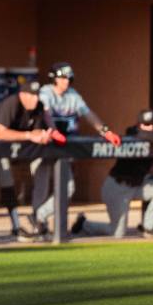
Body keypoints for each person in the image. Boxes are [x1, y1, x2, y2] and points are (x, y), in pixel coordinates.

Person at [31, 61, 121, 239]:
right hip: (44, 145)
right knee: (41, 186)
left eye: (68, 78)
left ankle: (38, 216)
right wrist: (53, 130)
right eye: (62, 78)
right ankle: (38, 225)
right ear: (54, 79)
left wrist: (105, 131)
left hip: (65, 148)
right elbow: (46, 114)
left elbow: (88, 114)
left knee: (68, 188)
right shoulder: (45, 92)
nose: (66, 81)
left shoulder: (73, 95)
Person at [71, 109, 153, 238]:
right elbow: (142, 134)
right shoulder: (132, 133)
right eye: (145, 124)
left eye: (151, 125)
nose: (148, 127)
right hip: (117, 187)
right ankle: (84, 224)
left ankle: (147, 228)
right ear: (138, 124)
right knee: (117, 233)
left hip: (137, 186)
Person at [0, 81, 53, 241]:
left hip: (1, 147)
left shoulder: (38, 107)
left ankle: (19, 226)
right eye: (31, 95)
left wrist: (42, 134)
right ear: (22, 95)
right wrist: (30, 136)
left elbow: (36, 131)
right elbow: (0, 133)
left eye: (37, 95)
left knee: (7, 180)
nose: (35, 99)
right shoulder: (12, 102)